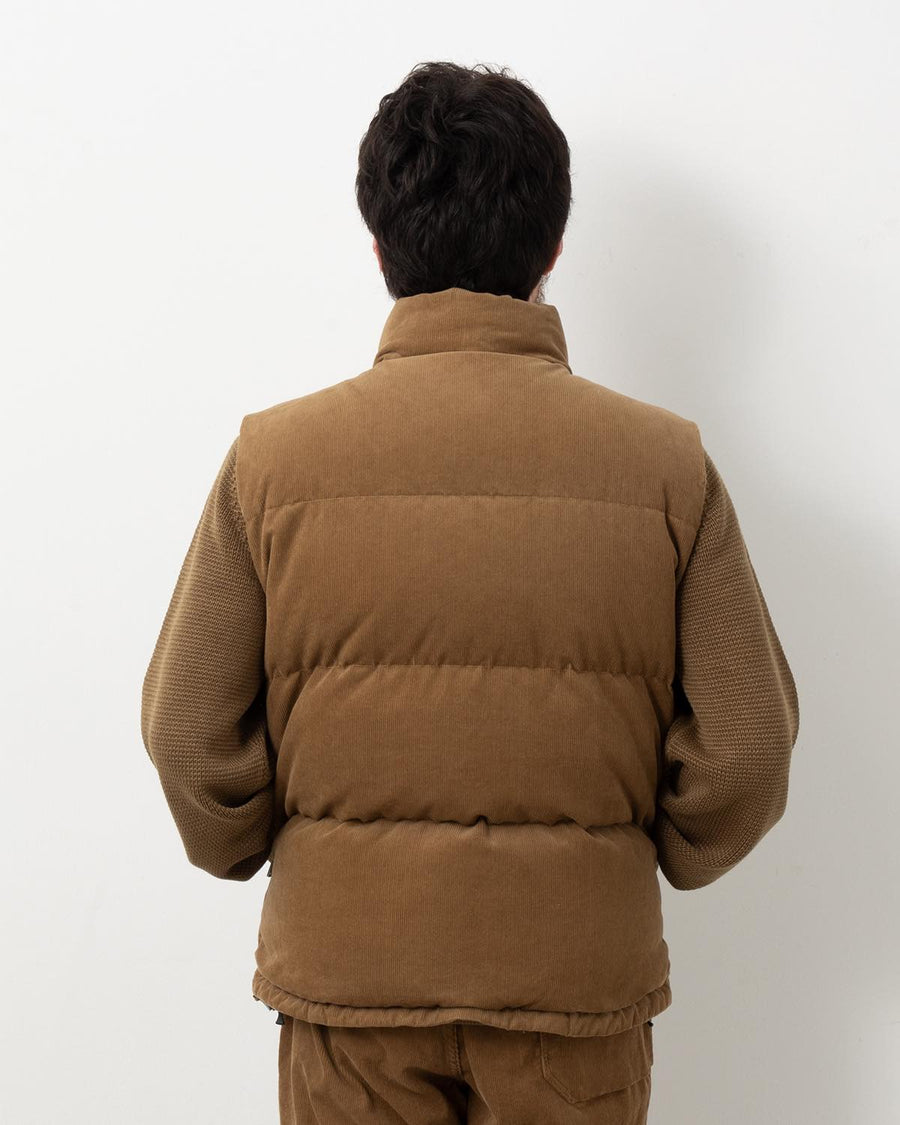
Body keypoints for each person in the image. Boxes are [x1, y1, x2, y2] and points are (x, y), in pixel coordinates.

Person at [141, 60, 800, 1125]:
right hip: (574, 983)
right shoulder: (664, 465)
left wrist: (273, 841)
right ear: (553, 248)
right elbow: (749, 747)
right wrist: (626, 852)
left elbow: (185, 733)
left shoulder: (274, 462)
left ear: (378, 245)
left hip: (350, 979)